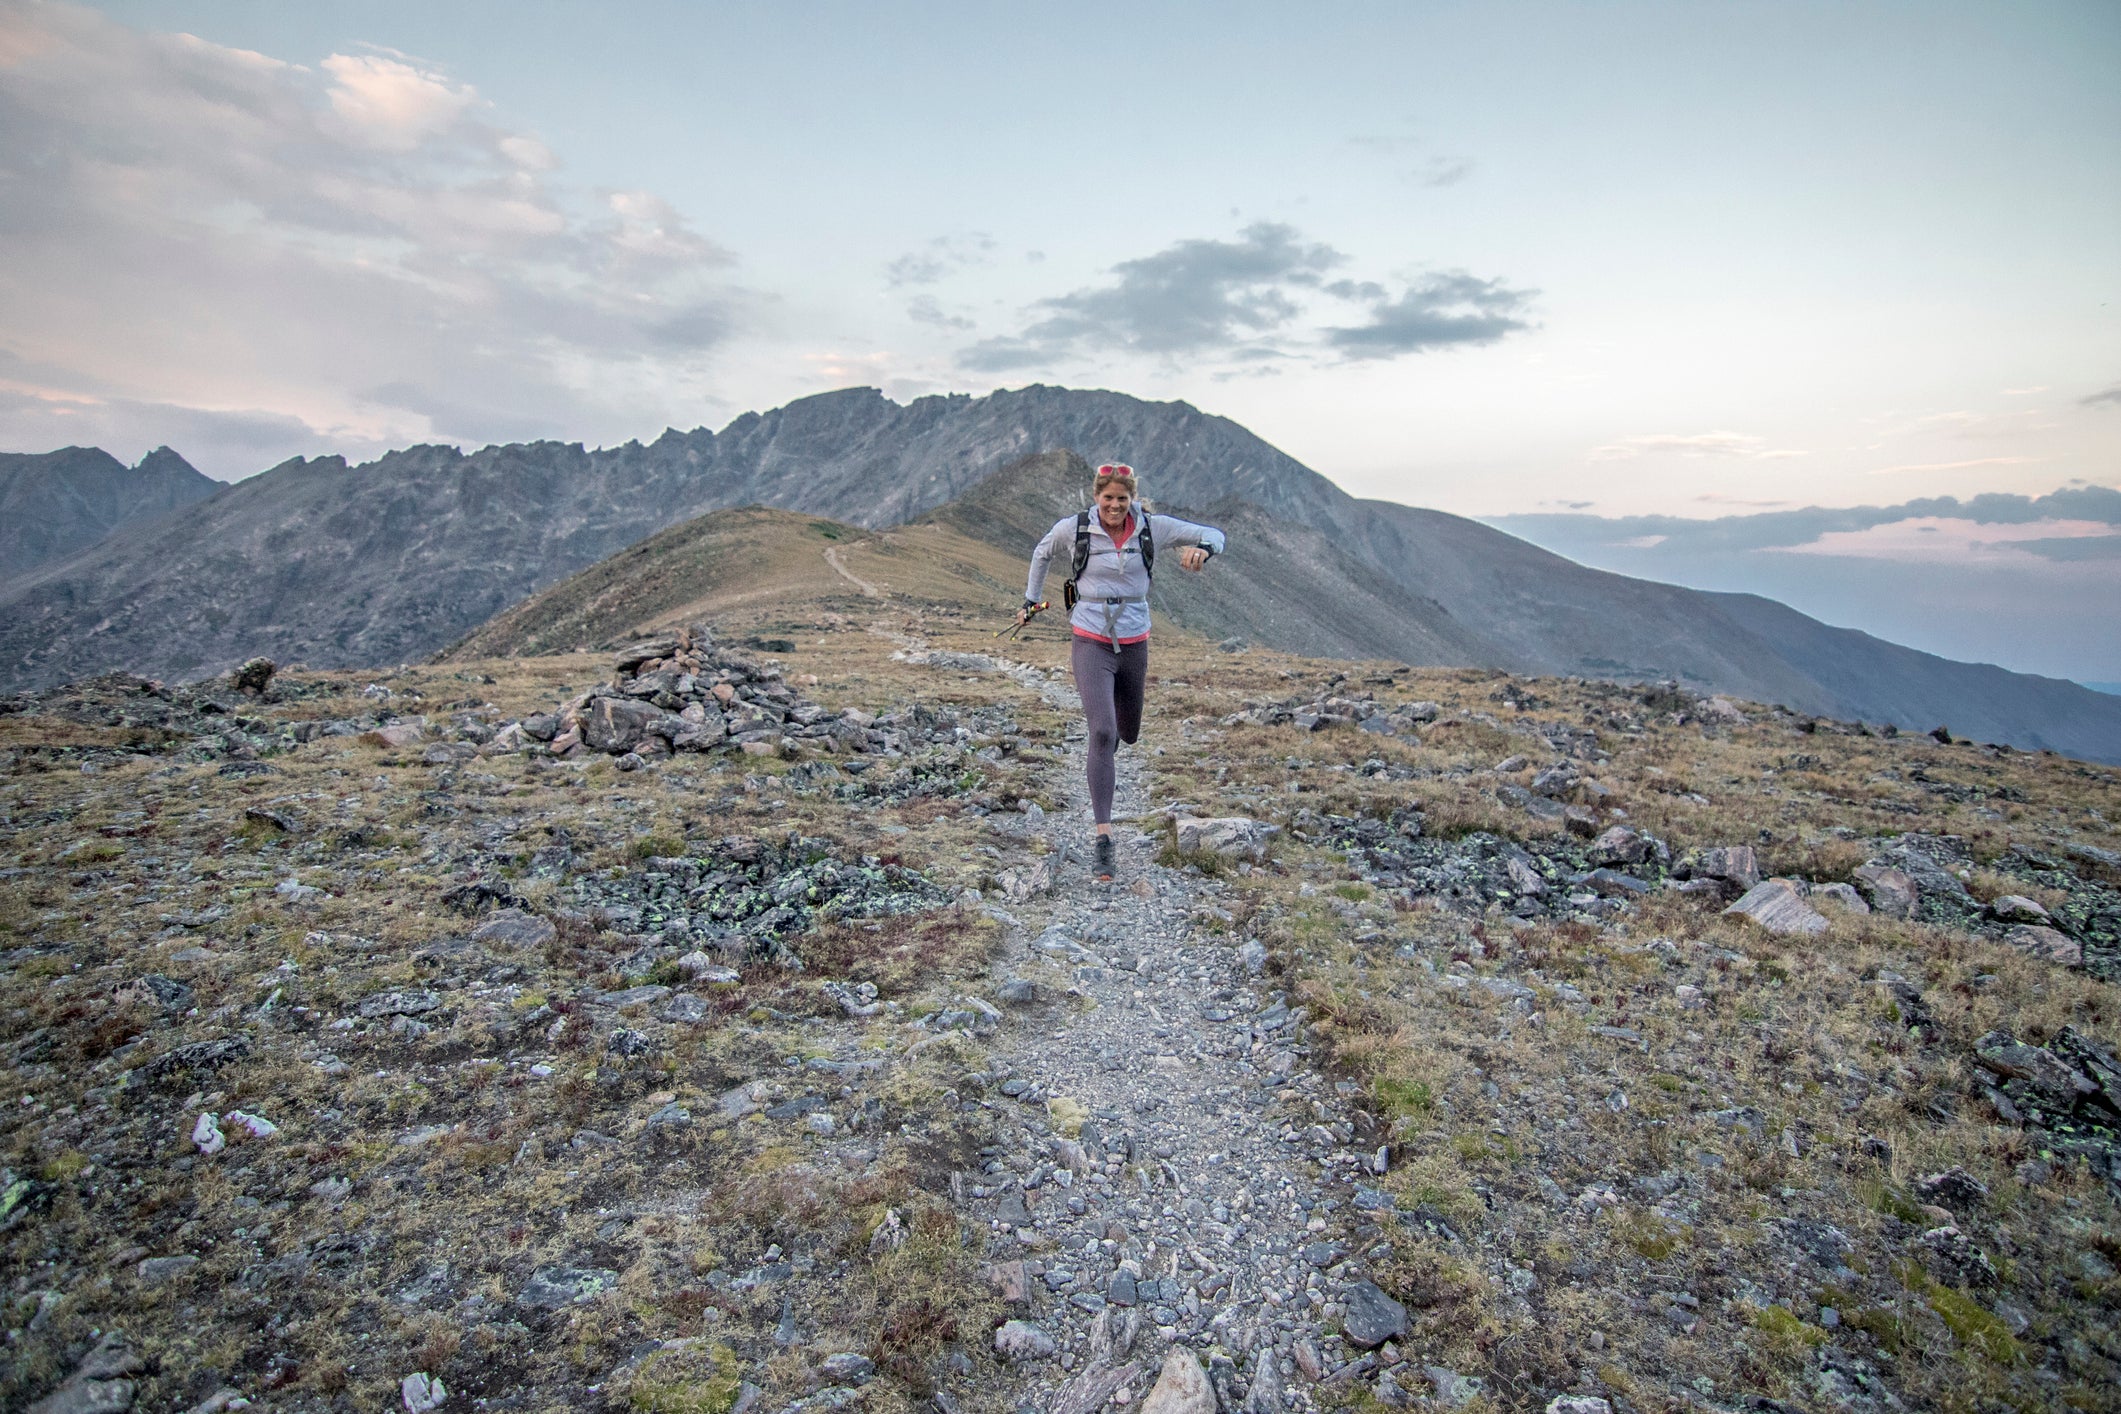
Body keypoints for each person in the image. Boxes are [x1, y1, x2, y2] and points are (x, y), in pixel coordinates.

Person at [1018, 463, 1225, 881]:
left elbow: (1215, 534)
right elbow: (1042, 552)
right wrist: (1031, 600)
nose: (1114, 505)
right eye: (1108, 497)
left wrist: (1204, 550)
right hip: (1089, 639)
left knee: (1127, 732)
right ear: (1096, 496)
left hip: (1134, 642)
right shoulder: (1076, 529)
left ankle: (1110, 742)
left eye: (1122, 498)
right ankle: (1104, 839)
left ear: (1132, 499)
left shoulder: (1152, 528)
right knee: (1102, 731)